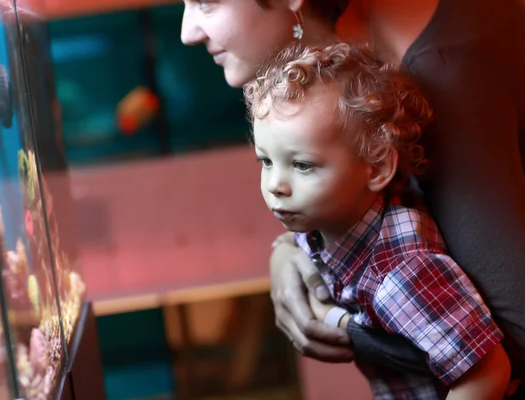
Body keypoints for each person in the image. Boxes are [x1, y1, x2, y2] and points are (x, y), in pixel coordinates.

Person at [180, 0, 525, 390]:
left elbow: (507, 340)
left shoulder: (442, 71)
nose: (186, 32)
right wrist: (290, 250)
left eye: (206, 2)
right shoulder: (346, 86)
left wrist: (343, 324)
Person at [244, 40, 510, 399]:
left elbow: (489, 371)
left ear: (377, 168)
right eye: (266, 161)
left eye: (303, 165)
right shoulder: (329, 218)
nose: (276, 185)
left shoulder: (398, 275)